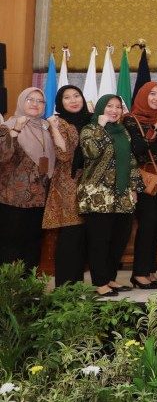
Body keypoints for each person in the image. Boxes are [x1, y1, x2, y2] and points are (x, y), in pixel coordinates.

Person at [78, 95, 142, 296]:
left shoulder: (123, 131)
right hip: (98, 194)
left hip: (122, 195)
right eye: (109, 106)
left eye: (118, 107)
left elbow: (131, 161)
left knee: (119, 239)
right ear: (100, 109)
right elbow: (91, 152)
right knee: (100, 240)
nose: (114, 110)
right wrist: (100, 127)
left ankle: (110, 278)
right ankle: (100, 283)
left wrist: (134, 188)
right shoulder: (89, 129)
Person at [0, 88, 56, 271]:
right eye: (30, 99)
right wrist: (16, 130)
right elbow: (3, 156)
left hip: (39, 198)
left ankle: (28, 284)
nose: (35, 104)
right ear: (21, 101)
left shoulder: (45, 128)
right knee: (10, 245)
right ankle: (8, 286)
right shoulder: (7, 126)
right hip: (12, 198)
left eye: (40, 101)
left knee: (33, 244)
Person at [43, 85, 91, 286]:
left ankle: (77, 285)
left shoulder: (90, 120)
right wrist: (54, 128)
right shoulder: (59, 123)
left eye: (76, 96)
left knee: (82, 237)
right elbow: (63, 155)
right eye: (67, 97)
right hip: (67, 185)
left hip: (89, 184)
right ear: (60, 103)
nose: (73, 100)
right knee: (70, 235)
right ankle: (64, 287)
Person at [125, 81, 157, 287]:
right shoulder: (131, 119)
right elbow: (137, 148)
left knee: (155, 227)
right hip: (143, 181)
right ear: (143, 95)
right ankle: (139, 273)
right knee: (146, 226)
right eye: (152, 94)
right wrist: (156, 128)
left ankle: (150, 271)